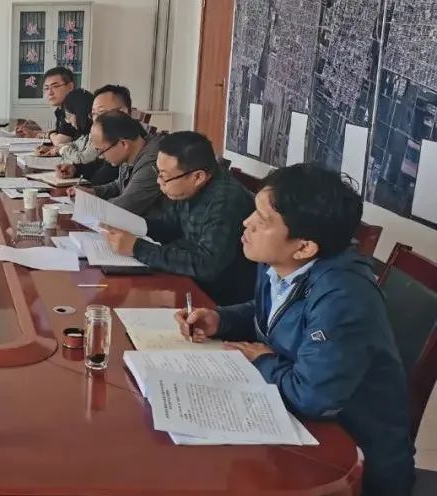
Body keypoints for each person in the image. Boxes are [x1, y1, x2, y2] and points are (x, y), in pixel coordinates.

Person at [176, 165, 415, 495]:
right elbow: (274, 313)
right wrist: (221, 319)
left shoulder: (343, 296)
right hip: (291, 428)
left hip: (351, 463)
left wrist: (263, 361)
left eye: (262, 220)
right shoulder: (280, 261)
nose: (246, 222)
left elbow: (311, 397)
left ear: (304, 247)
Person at [102, 131, 255, 305]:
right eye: (158, 172)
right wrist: (128, 225)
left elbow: (206, 265)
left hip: (217, 300)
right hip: (188, 282)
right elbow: (169, 226)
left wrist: (137, 248)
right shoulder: (187, 188)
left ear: (197, 177)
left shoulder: (226, 202)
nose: (159, 181)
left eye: (165, 175)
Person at [71, 110, 164, 215]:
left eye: (101, 151)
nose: (101, 156)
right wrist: (93, 192)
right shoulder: (132, 153)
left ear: (123, 144)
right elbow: (119, 185)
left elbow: (125, 206)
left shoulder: (153, 162)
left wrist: (88, 204)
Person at [49, 88, 119, 186]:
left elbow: (83, 158)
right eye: (93, 113)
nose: (94, 118)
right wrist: (75, 169)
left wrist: (63, 148)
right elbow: (76, 146)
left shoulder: (103, 136)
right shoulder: (87, 133)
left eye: (101, 112)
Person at [16, 67, 76, 143]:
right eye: (47, 88)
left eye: (55, 86)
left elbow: (61, 141)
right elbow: (59, 134)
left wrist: (46, 135)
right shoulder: (60, 110)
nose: (50, 92)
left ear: (70, 87)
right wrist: (34, 133)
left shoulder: (74, 105)